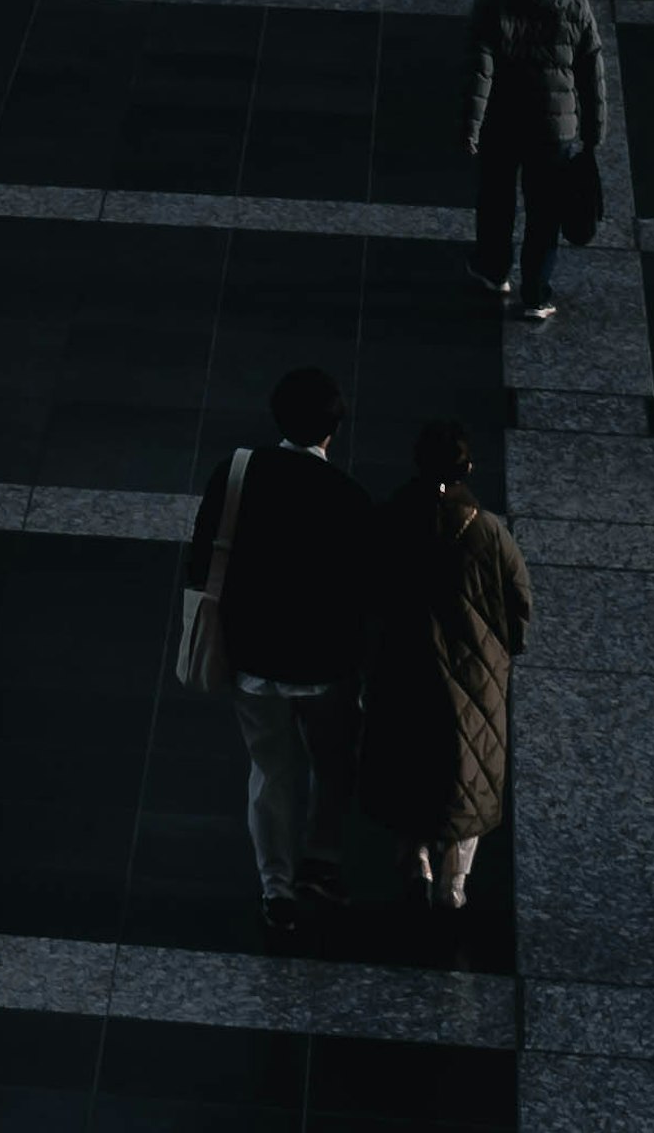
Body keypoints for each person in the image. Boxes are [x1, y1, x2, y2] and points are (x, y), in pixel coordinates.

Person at [179, 364, 374, 947]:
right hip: (321, 667)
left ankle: (277, 888)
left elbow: (202, 557)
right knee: (333, 764)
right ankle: (323, 858)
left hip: (251, 657)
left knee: (270, 770)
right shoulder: (348, 498)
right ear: (332, 431)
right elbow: (359, 596)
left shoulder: (237, 472)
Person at [359, 418, 534, 938]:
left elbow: (366, 595)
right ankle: (453, 883)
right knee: (466, 772)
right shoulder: (487, 530)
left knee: (407, 761)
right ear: (467, 469)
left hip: (403, 664)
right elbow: (519, 603)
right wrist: (504, 650)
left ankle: (415, 862)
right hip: (476, 675)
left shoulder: (389, 519)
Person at [464, 0, 605, 324]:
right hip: (556, 126)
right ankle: (537, 294)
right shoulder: (573, 0)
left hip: (503, 122)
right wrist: (595, 129)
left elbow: (478, 71)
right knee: (545, 211)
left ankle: (493, 269)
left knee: (496, 200)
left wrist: (469, 128)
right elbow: (591, 66)